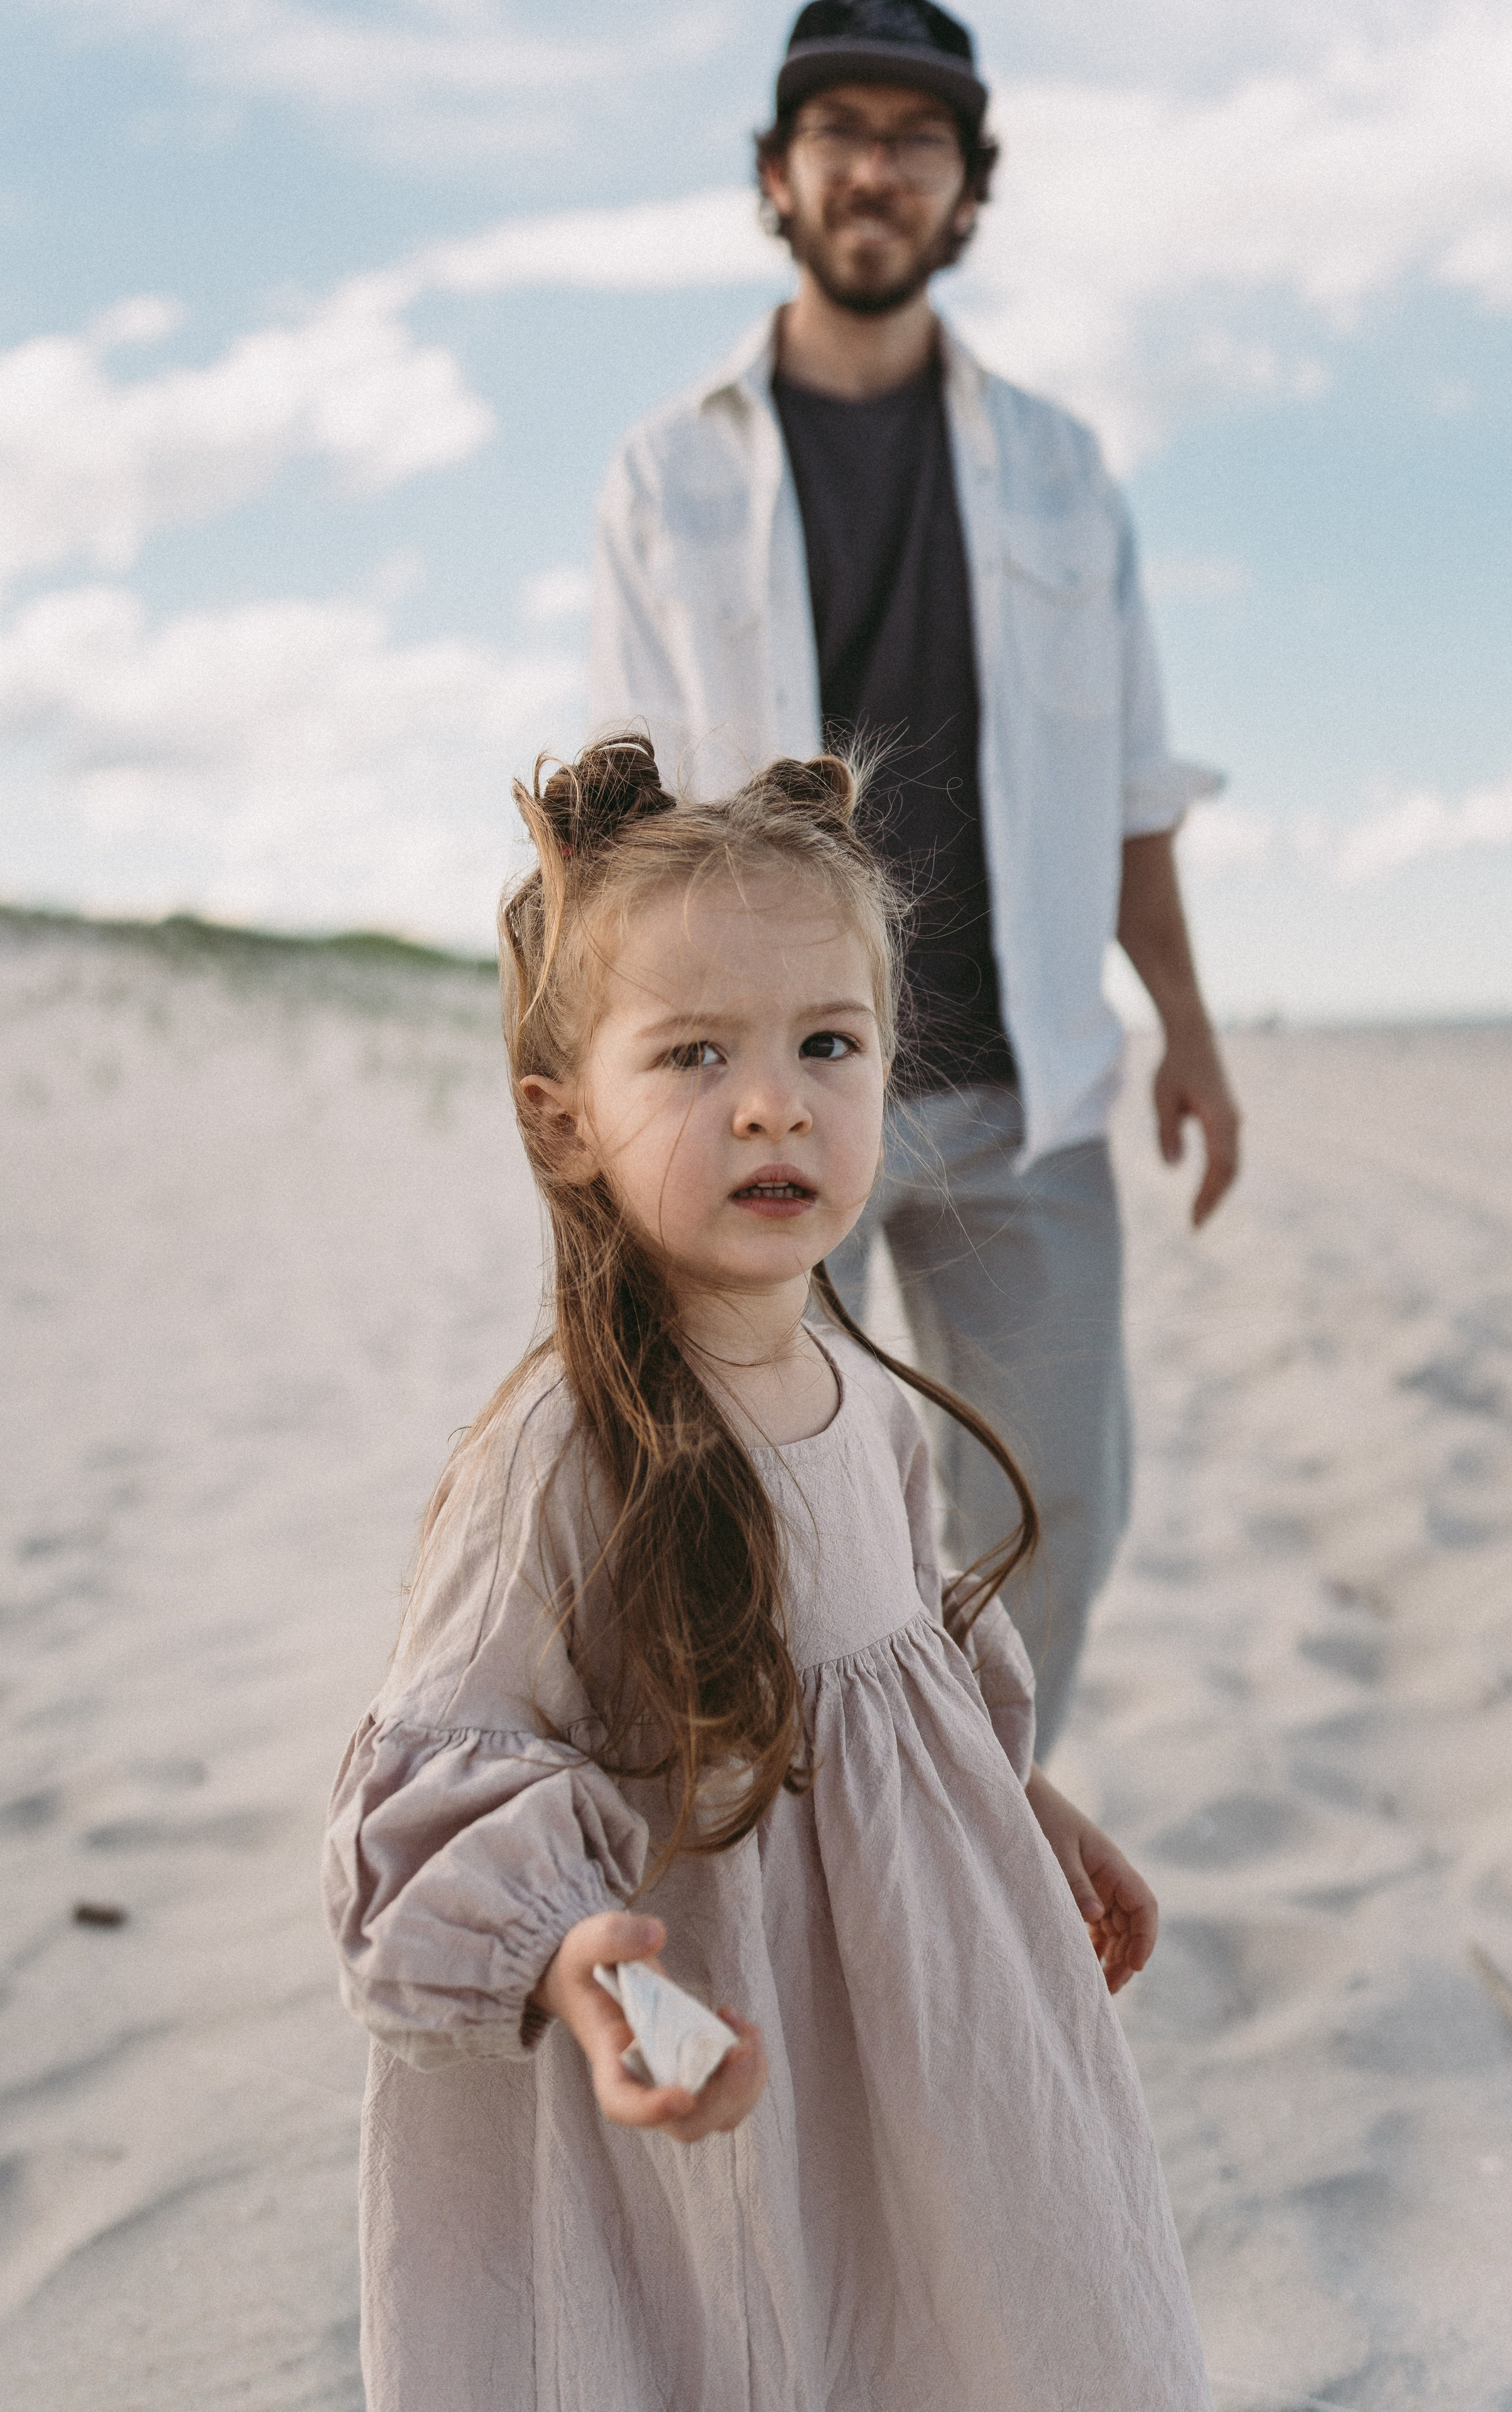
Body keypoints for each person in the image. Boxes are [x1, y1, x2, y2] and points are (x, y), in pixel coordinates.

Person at [324, 737, 1213, 2410]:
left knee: (933, 2307)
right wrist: (588, 1972)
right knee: (727, 2329)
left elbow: (911, 1667)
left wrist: (1032, 1806)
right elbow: (447, 1784)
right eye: (692, 1056)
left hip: (900, 2029)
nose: (773, 1101)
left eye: (829, 1044)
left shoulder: (863, 1390)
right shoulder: (565, 1457)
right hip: (694, 2030)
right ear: (564, 1119)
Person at [589, 0, 1242, 1752]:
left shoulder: (1060, 466)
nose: (876, 165)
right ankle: (782, 1870)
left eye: (918, 137)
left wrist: (1184, 1021)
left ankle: (973, 1835)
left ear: (967, 189)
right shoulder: (667, 475)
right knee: (746, 1528)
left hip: (1016, 1088)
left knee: (1058, 1507)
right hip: (765, 1098)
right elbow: (630, 830)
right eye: (841, 130)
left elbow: (1127, 782)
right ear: (779, 176)